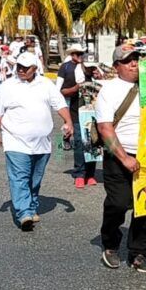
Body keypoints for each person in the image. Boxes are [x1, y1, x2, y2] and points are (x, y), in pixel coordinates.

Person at [0, 51, 72, 231]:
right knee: (20, 177)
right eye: (19, 66)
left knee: (35, 179)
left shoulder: (46, 84)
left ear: (35, 68)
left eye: (26, 68)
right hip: (15, 141)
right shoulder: (7, 86)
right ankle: (24, 213)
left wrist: (68, 121)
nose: (21, 70)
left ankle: (32, 206)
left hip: (42, 143)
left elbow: (59, 104)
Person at [96, 45, 146, 272]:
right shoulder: (109, 90)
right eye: (128, 60)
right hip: (119, 156)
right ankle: (110, 245)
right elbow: (105, 127)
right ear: (116, 67)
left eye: (136, 59)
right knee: (118, 203)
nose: (134, 63)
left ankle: (140, 252)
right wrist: (124, 158)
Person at [57, 44, 99, 188]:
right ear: (72, 54)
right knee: (81, 143)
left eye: (82, 54)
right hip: (75, 110)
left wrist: (98, 78)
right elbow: (60, 91)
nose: (80, 56)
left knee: (93, 142)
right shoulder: (66, 68)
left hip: (93, 112)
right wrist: (75, 89)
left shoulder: (92, 69)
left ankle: (90, 174)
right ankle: (80, 173)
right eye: (78, 54)